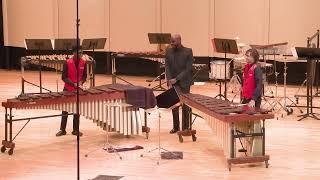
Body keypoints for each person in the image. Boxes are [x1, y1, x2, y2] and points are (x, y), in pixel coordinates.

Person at [165, 34, 194, 134]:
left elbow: (188, 69)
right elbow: (167, 67)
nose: (171, 43)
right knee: (174, 104)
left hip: (184, 82)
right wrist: (169, 79)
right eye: (171, 41)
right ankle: (176, 127)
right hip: (173, 81)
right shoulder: (168, 51)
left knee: (185, 105)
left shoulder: (188, 51)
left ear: (179, 40)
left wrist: (176, 79)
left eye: (173, 41)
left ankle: (185, 127)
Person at [56, 46, 87, 137]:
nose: (80, 54)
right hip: (68, 89)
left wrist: (81, 82)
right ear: (74, 53)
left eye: (81, 52)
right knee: (65, 110)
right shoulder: (67, 62)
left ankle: (75, 130)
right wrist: (73, 84)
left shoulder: (84, 62)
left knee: (77, 111)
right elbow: (64, 77)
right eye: (79, 53)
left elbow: (84, 76)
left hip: (78, 90)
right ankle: (62, 130)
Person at [238, 48, 263, 156]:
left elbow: (259, 85)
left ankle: (255, 149)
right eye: (246, 55)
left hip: (253, 100)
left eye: (249, 56)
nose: (247, 57)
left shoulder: (256, 68)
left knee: (254, 125)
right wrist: (242, 90)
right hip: (246, 98)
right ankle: (247, 146)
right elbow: (247, 82)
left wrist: (253, 99)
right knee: (246, 123)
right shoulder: (247, 67)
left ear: (255, 57)